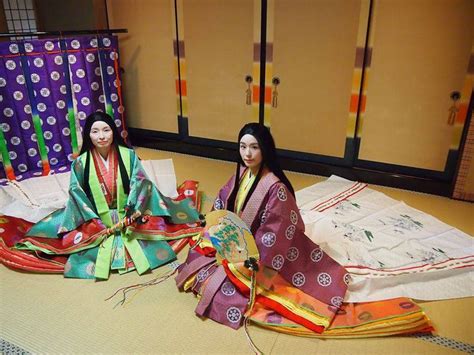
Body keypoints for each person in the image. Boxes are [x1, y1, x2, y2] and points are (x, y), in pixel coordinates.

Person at [176, 123, 349, 333]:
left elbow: (274, 232)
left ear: (265, 149)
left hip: (261, 252)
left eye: (254, 147)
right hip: (236, 241)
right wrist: (217, 228)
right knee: (197, 253)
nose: (247, 154)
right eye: (242, 146)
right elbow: (222, 202)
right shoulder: (241, 173)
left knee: (229, 291)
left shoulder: (277, 188)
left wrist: (248, 256)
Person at [10, 111, 202, 279]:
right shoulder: (81, 163)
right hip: (95, 217)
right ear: (88, 135)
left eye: (106, 130)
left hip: (130, 214)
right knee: (72, 241)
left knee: (154, 235)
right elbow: (77, 195)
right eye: (95, 131)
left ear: (114, 131)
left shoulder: (128, 155)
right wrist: (93, 221)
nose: (101, 136)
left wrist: (132, 211)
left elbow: (141, 183)